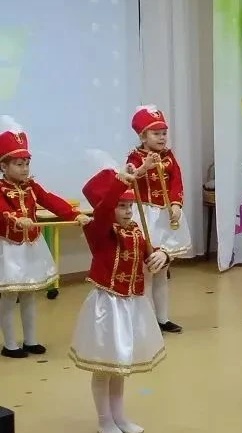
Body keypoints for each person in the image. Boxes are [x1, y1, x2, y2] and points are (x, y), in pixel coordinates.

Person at [69, 168, 168, 433]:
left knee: (119, 365)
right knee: (104, 367)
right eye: (121, 206)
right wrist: (123, 180)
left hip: (130, 305)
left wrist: (163, 255)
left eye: (130, 206)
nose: (127, 211)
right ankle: (104, 421)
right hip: (107, 306)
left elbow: (149, 252)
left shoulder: (135, 231)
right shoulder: (98, 230)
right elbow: (103, 210)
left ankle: (119, 417)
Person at [0, 115, 89, 358]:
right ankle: (10, 344)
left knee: (30, 293)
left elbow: (50, 200)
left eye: (27, 163)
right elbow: (2, 209)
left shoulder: (32, 187)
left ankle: (31, 340)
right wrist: (15, 218)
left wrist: (75, 214)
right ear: (4, 167)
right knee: (9, 297)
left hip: (30, 245)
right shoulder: (1, 189)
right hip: (9, 248)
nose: (24, 168)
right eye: (18, 164)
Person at [126, 104, 191, 333]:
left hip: (164, 218)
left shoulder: (169, 157)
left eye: (164, 133)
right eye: (156, 133)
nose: (162, 137)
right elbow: (130, 178)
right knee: (146, 272)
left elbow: (176, 181)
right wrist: (144, 167)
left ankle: (162, 318)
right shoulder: (135, 157)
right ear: (143, 136)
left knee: (162, 270)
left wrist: (176, 204)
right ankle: (145, 320)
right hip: (144, 217)